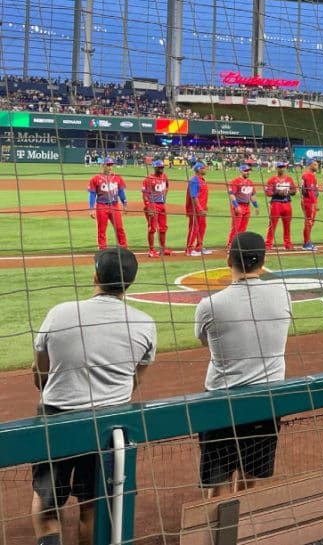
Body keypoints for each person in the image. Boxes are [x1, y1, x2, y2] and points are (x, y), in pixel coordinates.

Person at [31, 248, 156, 545]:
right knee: (91, 506)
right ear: (129, 282)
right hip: (109, 426)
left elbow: (39, 374)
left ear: (96, 276)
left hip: (57, 420)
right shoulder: (145, 323)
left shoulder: (60, 313)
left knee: (47, 505)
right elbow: (135, 380)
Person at [195, 232, 292, 498]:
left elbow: (205, 342)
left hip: (222, 401)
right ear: (263, 261)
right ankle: (240, 518)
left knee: (217, 481)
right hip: (267, 400)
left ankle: (217, 521)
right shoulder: (282, 294)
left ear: (229, 260)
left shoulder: (209, 305)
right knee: (250, 475)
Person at [88, 158, 128, 251]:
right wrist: (91, 208)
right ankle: (102, 249)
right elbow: (92, 194)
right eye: (108, 165)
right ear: (103, 165)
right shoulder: (96, 179)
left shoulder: (117, 178)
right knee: (102, 229)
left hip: (114, 206)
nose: (110, 167)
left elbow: (121, 192)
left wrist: (124, 203)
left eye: (111, 165)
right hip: (101, 206)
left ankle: (124, 247)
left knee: (119, 228)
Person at [265, 162, 296, 251]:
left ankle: (288, 244)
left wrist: (287, 192)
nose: (281, 168)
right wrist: (278, 192)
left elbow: (294, 191)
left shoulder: (289, 179)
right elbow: (268, 192)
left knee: (287, 225)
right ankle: (268, 244)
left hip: (287, 203)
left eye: (283, 167)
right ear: (276, 168)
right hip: (276, 203)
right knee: (272, 224)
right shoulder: (272, 179)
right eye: (280, 167)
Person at [142, 159, 170, 257]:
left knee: (163, 228)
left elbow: (167, 186)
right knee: (152, 228)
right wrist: (148, 206)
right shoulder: (148, 179)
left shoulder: (164, 177)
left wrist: (164, 196)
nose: (161, 169)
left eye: (162, 167)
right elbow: (145, 194)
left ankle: (163, 249)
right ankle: (151, 250)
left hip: (162, 205)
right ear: (155, 168)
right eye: (159, 167)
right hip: (152, 205)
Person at [227, 164, 259, 249]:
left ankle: (239, 244)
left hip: (247, 206)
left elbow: (252, 196)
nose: (247, 172)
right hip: (238, 205)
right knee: (236, 227)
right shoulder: (235, 181)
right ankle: (231, 244)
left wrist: (256, 206)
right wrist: (236, 206)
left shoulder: (250, 182)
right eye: (245, 171)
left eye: (248, 170)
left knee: (243, 228)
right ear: (241, 171)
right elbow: (232, 195)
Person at [185, 161, 210, 256]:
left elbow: (201, 195)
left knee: (202, 227)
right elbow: (194, 196)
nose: (205, 169)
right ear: (199, 169)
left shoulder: (202, 180)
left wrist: (205, 206)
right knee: (194, 228)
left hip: (202, 209)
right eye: (204, 168)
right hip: (195, 209)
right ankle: (189, 249)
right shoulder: (194, 180)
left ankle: (199, 247)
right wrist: (200, 208)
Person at [299, 159, 320, 251]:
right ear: (310, 165)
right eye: (315, 164)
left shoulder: (307, 174)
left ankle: (307, 241)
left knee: (309, 222)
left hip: (306, 200)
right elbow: (310, 191)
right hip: (309, 201)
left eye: (317, 164)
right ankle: (306, 243)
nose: (317, 166)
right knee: (309, 222)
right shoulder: (309, 175)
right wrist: (315, 203)